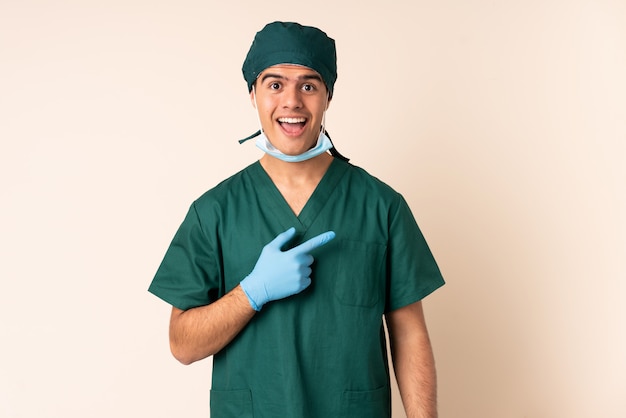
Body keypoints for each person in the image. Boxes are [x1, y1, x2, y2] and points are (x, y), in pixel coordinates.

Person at [149, 21, 445, 418]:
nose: (292, 102)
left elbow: (409, 333)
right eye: (274, 85)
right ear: (252, 94)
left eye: (308, 85)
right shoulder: (214, 212)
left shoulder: (381, 206)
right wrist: (251, 292)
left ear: (327, 97)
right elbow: (183, 345)